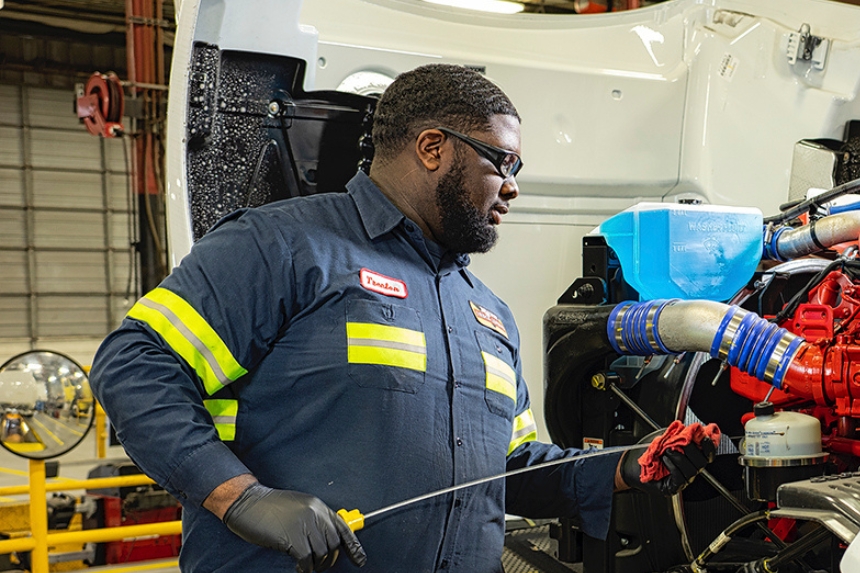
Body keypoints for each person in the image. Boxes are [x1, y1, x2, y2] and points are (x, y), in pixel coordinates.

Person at [90, 63, 715, 573]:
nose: (514, 187)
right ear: (433, 148)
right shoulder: (285, 246)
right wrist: (239, 498)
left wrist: (628, 466)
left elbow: (511, 469)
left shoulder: (488, 316)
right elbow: (137, 363)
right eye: (503, 161)